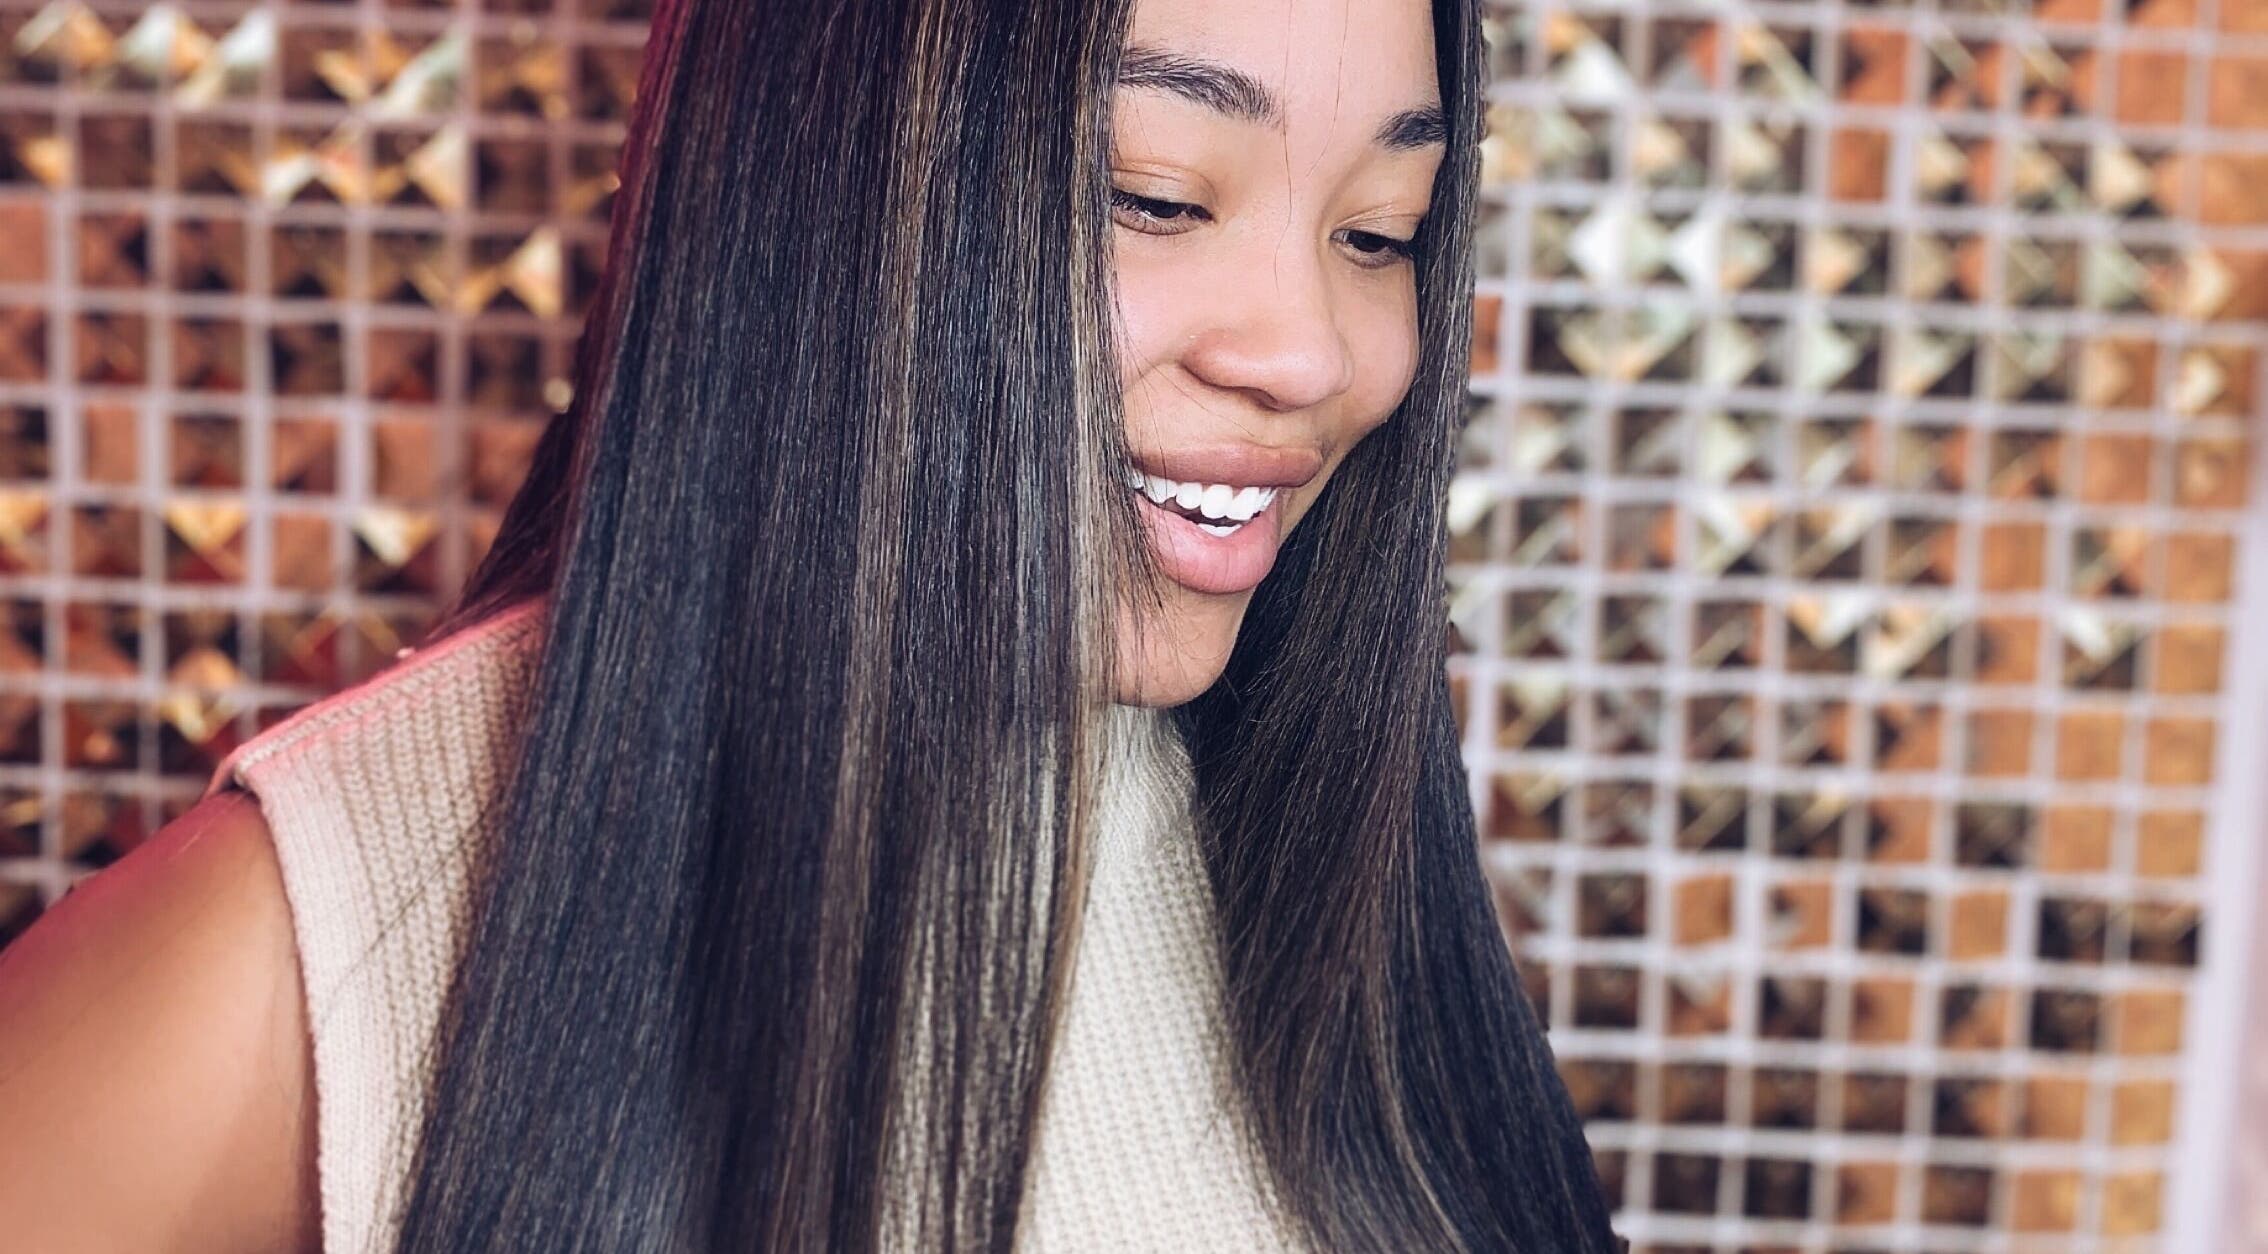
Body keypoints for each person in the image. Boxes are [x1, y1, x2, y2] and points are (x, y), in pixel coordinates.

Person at [0, 0, 1622, 1249]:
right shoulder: (305, 944)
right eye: (1157, 197)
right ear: (816, 193)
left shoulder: (1319, 857)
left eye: (1379, 231)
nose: (1314, 352)